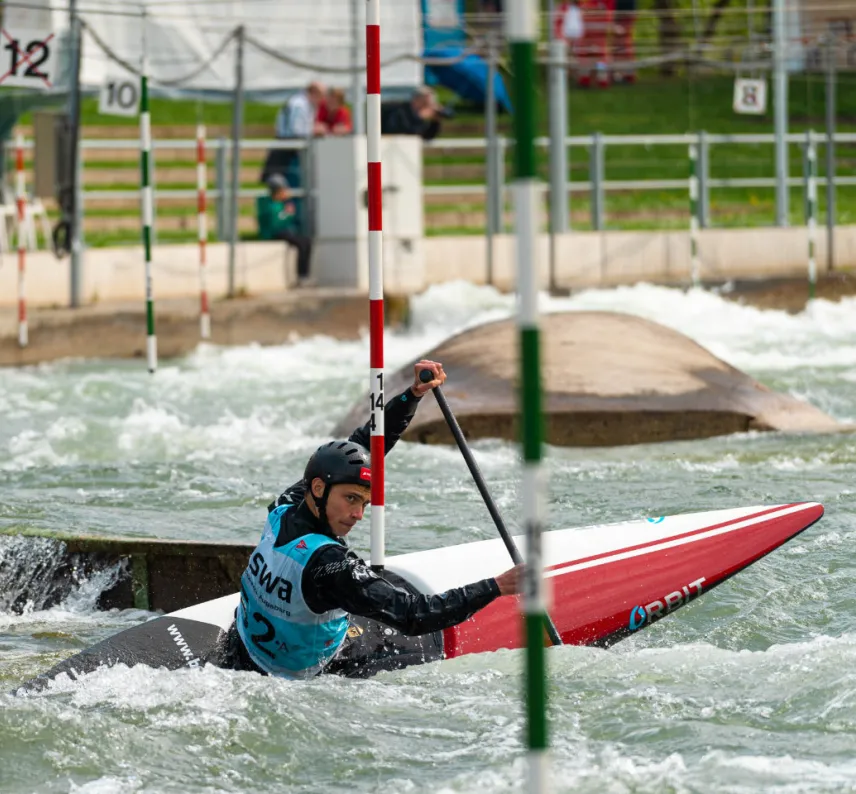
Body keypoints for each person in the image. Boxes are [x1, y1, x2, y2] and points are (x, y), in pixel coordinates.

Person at [220, 360, 523, 680]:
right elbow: (413, 615)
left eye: (365, 502)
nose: (358, 515)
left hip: (240, 646)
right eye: (351, 499)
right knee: (412, 646)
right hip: (294, 677)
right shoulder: (331, 566)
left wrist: (412, 395)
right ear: (320, 488)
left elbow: (363, 445)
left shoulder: (288, 504)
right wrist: (496, 586)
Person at [262, 82, 327, 188]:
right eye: (321, 96)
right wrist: (314, 129)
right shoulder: (299, 104)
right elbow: (296, 129)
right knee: (283, 184)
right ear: (314, 93)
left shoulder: (303, 103)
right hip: (288, 147)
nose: (322, 100)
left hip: (289, 145)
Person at [256, 173, 313, 284]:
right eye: (283, 189)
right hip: (273, 232)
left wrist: (287, 211)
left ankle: (305, 274)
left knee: (306, 241)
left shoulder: (280, 204)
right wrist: (288, 212)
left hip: (284, 231)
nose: (285, 192)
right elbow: (275, 223)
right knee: (301, 244)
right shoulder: (268, 204)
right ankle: (301, 276)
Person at [380, 86, 448, 142]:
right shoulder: (399, 111)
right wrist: (419, 117)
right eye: (426, 103)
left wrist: (435, 121)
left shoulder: (419, 115)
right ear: (417, 99)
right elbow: (399, 131)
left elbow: (427, 137)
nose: (429, 106)